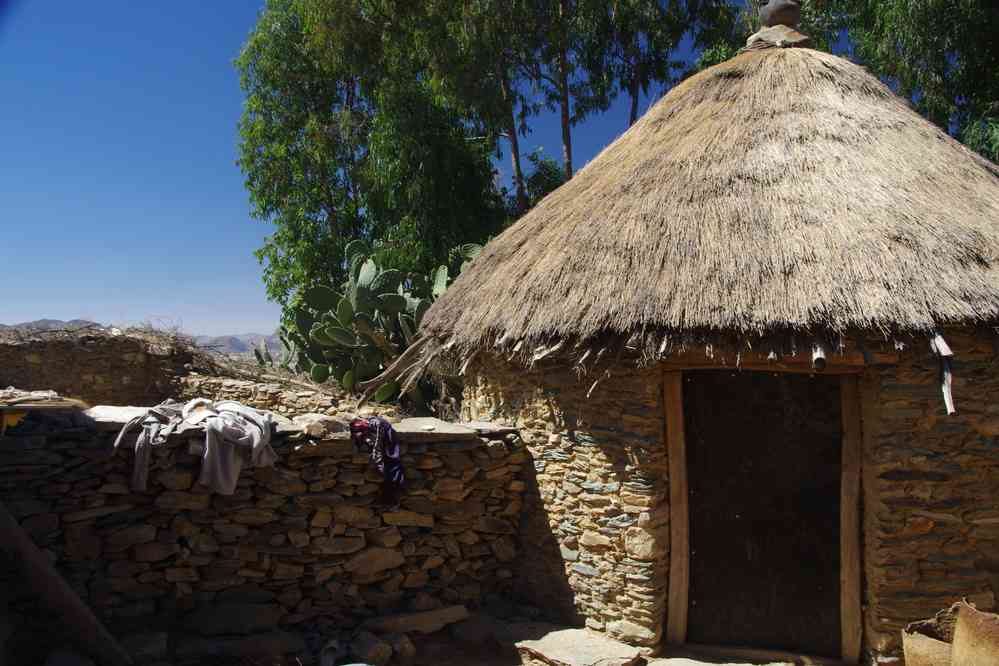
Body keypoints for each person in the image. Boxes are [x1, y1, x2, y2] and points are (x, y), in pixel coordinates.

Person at [349, 416, 405, 509]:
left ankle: (389, 501)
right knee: (392, 466)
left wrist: (379, 462)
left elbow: (377, 447)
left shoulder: (378, 426)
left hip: (390, 463)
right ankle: (390, 500)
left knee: (392, 466)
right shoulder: (373, 426)